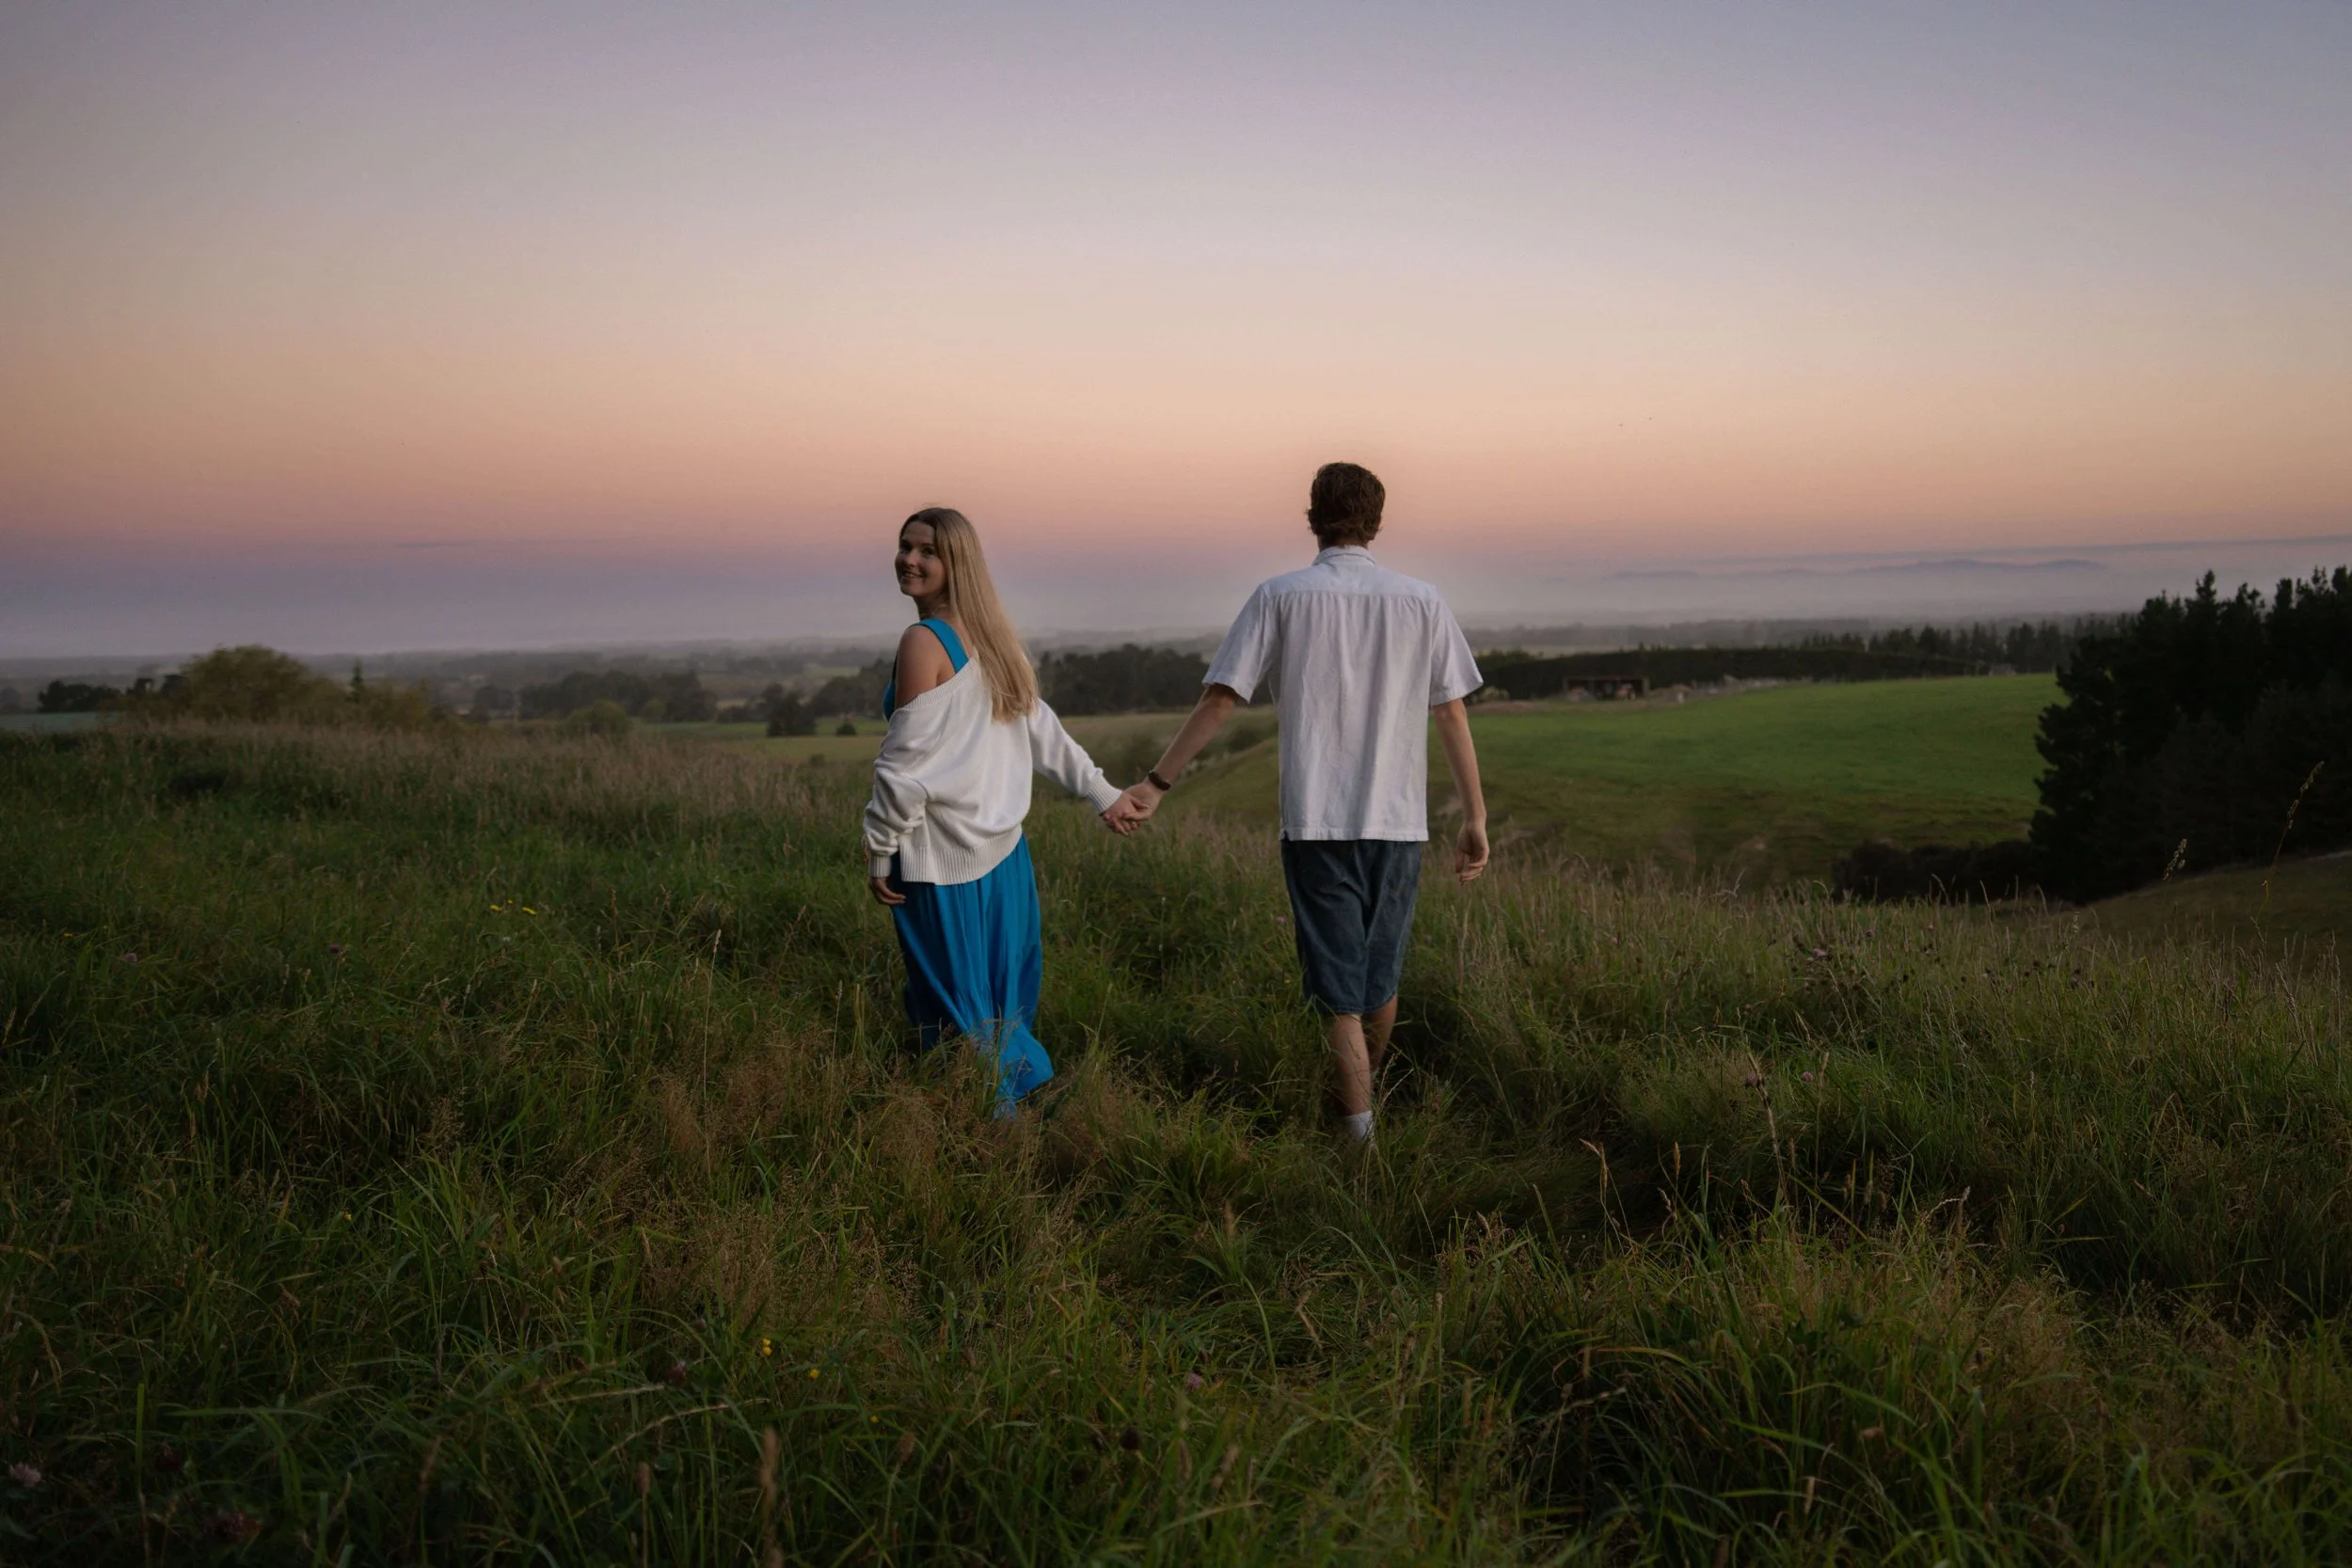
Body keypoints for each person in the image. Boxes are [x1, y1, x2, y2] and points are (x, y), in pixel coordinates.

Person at [1106, 463, 1489, 1143]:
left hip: (1316, 820)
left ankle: (1357, 1138)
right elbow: (1452, 713)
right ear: (1377, 521)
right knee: (1379, 977)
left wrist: (1156, 783)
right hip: (1399, 823)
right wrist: (1476, 818)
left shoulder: (1279, 596)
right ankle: (1363, 1094)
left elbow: (1221, 697)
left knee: (1339, 990)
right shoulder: (1422, 600)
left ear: (1313, 517)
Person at [864, 506, 1131, 1114]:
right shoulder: (993, 637)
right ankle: (1027, 1127)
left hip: (941, 866)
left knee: (959, 1018)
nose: (909, 558)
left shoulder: (922, 642)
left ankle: (997, 1151)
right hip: (1006, 860)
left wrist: (880, 848)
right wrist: (1103, 793)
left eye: (926, 550)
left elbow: (903, 767)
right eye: (904, 546)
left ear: (957, 562)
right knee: (1000, 1012)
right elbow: (1047, 732)